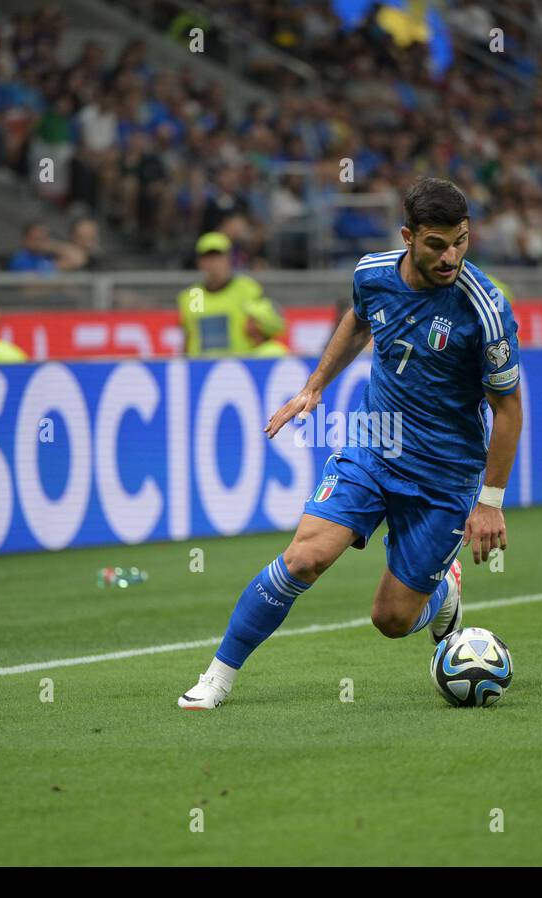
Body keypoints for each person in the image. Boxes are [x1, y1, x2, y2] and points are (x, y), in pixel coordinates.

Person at [177, 177, 523, 709]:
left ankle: (443, 596)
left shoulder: (486, 309)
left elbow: (508, 408)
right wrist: (315, 386)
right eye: (436, 244)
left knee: (391, 620)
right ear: (408, 236)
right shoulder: (372, 274)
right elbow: (359, 322)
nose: (451, 255)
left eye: (461, 241)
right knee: (304, 559)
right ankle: (218, 675)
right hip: (373, 445)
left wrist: (490, 502)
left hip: (445, 475)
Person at [176, 231, 284, 356]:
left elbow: (269, 327)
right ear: (200, 262)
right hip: (202, 369)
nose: (213, 263)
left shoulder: (247, 289)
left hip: (241, 365)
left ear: (229, 259)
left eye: (218, 257)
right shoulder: (192, 296)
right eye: (208, 258)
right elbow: (188, 336)